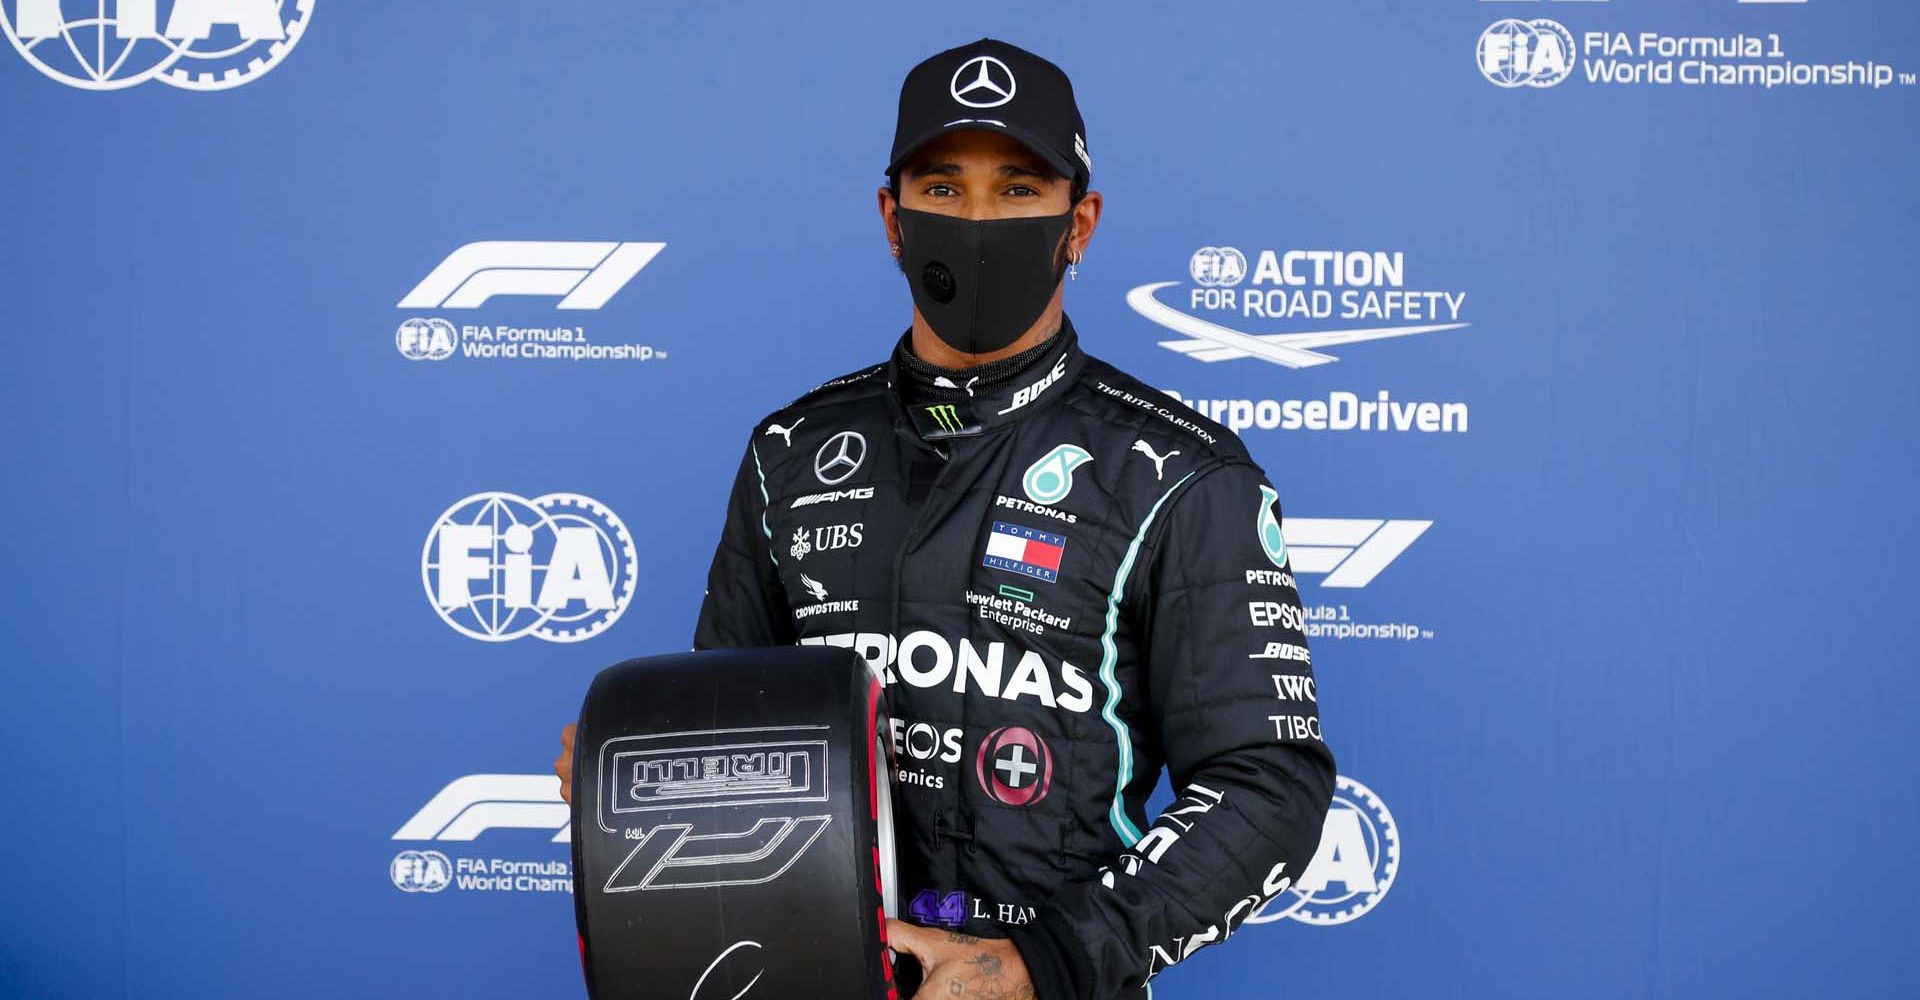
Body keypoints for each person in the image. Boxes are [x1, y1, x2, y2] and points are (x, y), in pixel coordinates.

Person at [556, 38, 1333, 1000]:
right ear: (892, 218)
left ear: (1077, 223)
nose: (974, 219)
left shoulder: (1179, 471)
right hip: (810, 975)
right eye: (941, 187)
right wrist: (625, 772)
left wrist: (1041, 965)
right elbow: (728, 744)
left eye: (1016, 190)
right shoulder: (791, 450)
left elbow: (1269, 787)